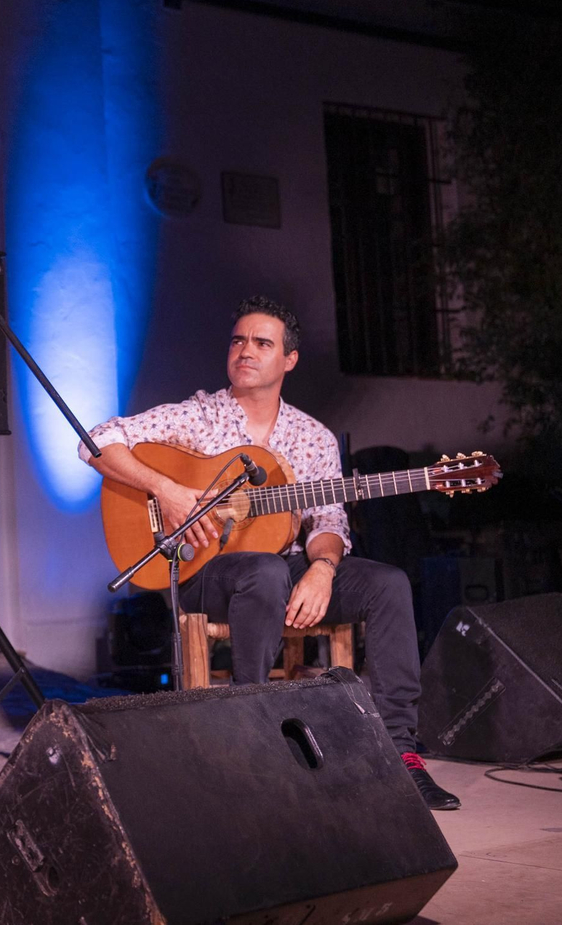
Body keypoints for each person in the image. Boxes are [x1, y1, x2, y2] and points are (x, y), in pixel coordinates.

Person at [79, 295, 460, 811]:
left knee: (386, 583)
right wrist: (167, 490)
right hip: (204, 570)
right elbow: (96, 441)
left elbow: (328, 522)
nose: (246, 351)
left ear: (289, 359)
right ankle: (251, 735)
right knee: (263, 569)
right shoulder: (198, 418)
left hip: (288, 565)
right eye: (239, 340)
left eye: (262, 343)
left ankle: (400, 753)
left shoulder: (313, 438)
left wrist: (323, 569)